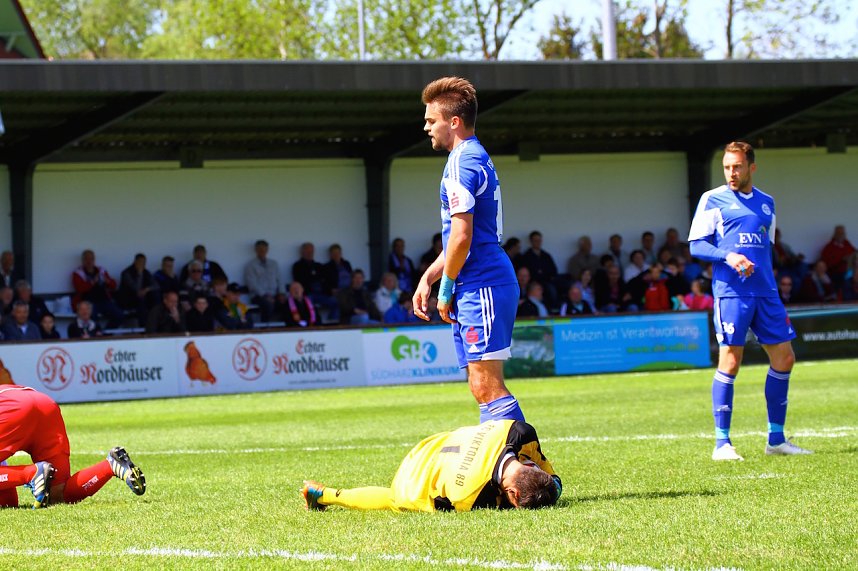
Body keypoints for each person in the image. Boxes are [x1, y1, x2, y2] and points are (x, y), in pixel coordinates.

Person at [688, 141, 811, 461]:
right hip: (732, 293)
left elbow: (765, 249)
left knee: (784, 358)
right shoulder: (712, 199)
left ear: (751, 167)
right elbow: (696, 246)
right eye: (727, 167)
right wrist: (729, 256)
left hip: (766, 292)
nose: (731, 172)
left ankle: (776, 439)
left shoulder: (767, 203)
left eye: (737, 166)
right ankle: (722, 444)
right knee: (731, 360)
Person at [413, 76, 524, 424]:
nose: (426, 127)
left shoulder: (463, 161)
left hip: (483, 283)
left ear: (454, 122)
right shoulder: (469, 157)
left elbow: (462, 236)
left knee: (488, 385)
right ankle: (501, 471)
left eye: (432, 120)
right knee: (480, 387)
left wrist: (444, 288)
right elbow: (457, 240)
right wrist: (429, 278)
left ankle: (534, 471)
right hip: (476, 281)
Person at [301, 419, 560, 513]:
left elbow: (550, 478)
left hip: (431, 445)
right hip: (412, 477)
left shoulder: (520, 431)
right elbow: (553, 479)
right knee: (395, 501)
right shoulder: (474, 497)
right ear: (512, 495)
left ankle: (321, 495)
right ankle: (324, 495)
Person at [0, 384, 145, 508]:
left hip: (13, 408)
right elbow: (9, 502)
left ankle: (32, 474)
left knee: (34, 478)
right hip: (45, 405)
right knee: (58, 495)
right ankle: (112, 465)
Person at [71, 249, 124, 328]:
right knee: (91, 317)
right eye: (86, 259)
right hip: (87, 302)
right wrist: (92, 282)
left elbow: (114, 285)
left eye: (91, 259)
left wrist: (107, 281)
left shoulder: (101, 271)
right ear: (82, 260)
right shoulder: (78, 273)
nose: (89, 261)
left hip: (104, 301)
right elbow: (79, 288)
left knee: (120, 315)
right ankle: (97, 335)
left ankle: (106, 336)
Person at [244, 239, 283, 322]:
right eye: (260, 249)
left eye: (264, 249)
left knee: (286, 303)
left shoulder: (273, 264)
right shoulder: (250, 265)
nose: (262, 251)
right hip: (258, 296)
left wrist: (281, 293)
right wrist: (265, 295)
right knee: (268, 304)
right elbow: (252, 284)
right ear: (256, 250)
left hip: (274, 294)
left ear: (267, 250)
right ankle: (266, 327)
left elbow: (279, 279)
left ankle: (283, 329)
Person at [117, 253, 158, 326]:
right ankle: (143, 326)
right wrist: (139, 274)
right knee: (141, 301)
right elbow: (135, 288)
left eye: (144, 262)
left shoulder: (146, 272)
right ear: (135, 261)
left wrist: (147, 289)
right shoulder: (126, 273)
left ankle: (155, 323)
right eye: (140, 262)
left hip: (143, 298)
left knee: (155, 295)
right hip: (129, 298)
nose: (142, 264)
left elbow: (156, 285)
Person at [521, 231, 558, 304]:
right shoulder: (526, 256)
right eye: (535, 240)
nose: (538, 242)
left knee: (551, 289)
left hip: (546, 281)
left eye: (539, 240)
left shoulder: (546, 256)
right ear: (531, 241)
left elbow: (554, 270)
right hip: (532, 282)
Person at [820, 225, 855, 289]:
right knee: (847, 278)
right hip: (837, 272)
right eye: (839, 233)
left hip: (850, 270)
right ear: (835, 234)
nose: (841, 235)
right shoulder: (829, 247)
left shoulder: (847, 244)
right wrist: (842, 259)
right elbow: (827, 264)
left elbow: (854, 253)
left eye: (842, 233)